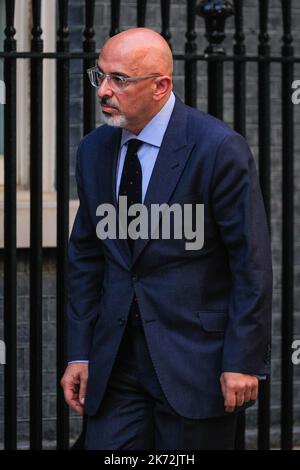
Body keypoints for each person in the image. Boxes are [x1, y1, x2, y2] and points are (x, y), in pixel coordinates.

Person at [60, 28, 272, 450]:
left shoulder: (217, 148)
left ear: (160, 86)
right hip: (116, 365)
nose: (103, 91)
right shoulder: (94, 150)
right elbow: (86, 257)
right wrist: (80, 352)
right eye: (99, 76)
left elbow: (250, 262)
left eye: (119, 79)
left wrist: (242, 360)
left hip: (195, 363)